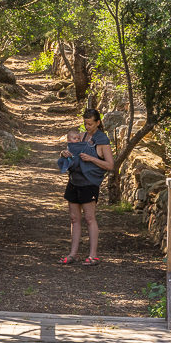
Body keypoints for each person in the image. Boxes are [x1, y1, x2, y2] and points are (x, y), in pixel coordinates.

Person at [58, 109, 114, 265]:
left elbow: (110, 165)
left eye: (90, 124)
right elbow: (72, 153)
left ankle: (93, 255)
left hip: (89, 184)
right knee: (74, 218)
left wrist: (91, 158)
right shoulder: (80, 137)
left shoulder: (102, 141)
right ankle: (73, 254)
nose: (87, 127)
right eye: (85, 123)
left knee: (89, 218)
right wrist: (65, 154)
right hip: (74, 181)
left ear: (97, 122)